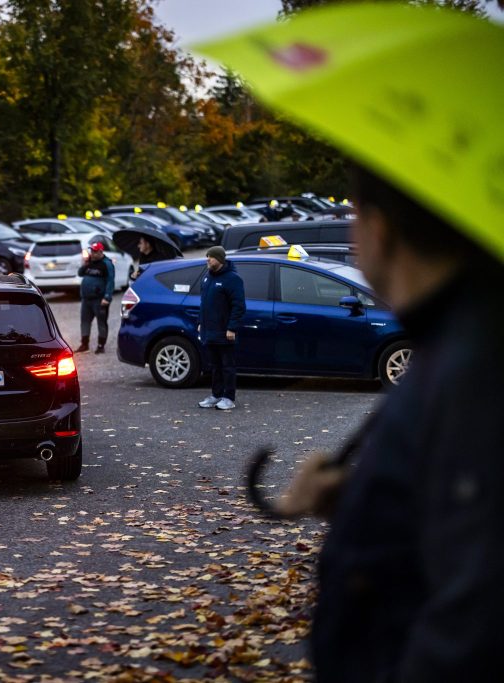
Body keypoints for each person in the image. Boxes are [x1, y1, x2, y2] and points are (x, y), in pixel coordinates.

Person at [271, 164, 504, 681]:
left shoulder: (475, 364)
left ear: (378, 229)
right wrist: (366, 495)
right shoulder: (452, 338)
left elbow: (479, 609)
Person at [196, 246, 244, 411]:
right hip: (210, 331)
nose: (207, 259)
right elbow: (204, 304)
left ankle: (229, 397)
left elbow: (239, 306)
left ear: (220, 259)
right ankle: (216, 395)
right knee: (215, 366)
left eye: (211, 257)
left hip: (225, 332)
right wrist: (201, 322)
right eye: (207, 256)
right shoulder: (207, 278)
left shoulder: (232, 279)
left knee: (227, 366)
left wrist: (232, 328)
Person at [75, 241, 115, 354]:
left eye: (95, 251)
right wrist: (86, 263)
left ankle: (101, 345)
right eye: (92, 251)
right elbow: (80, 273)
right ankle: (84, 344)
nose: (93, 253)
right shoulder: (89, 262)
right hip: (86, 299)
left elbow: (110, 281)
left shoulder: (107, 264)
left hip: (99, 299)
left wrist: (107, 297)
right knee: (85, 321)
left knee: (101, 322)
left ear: (101, 252)